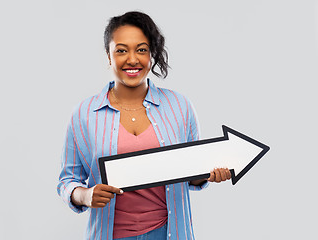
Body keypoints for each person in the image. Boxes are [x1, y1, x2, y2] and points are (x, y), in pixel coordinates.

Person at [57, 11, 231, 240]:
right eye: (121, 50)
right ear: (108, 56)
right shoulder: (83, 114)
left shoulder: (180, 106)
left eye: (141, 49)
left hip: (170, 234)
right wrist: (85, 195)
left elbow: (191, 174)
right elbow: (67, 181)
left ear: (152, 55)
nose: (132, 59)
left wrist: (207, 175)